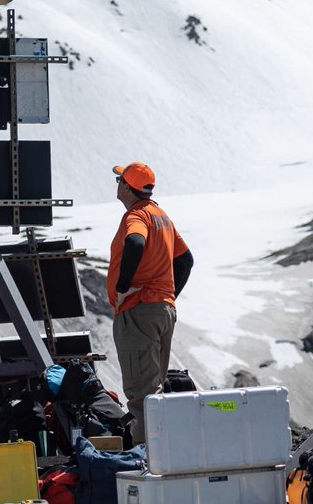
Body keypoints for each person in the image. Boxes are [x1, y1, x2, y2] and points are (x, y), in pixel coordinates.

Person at [107, 162, 194, 444]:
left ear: (128, 188)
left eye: (120, 180)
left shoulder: (137, 216)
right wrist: (166, 297)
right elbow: (185, 260)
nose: (117, 184)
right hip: (162, 311)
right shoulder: (162, 217)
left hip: (139, 312)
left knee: (143, 398)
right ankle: (163, 458)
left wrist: (123, 288)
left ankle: (146, 465)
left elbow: (135, 243)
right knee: (154, 394)